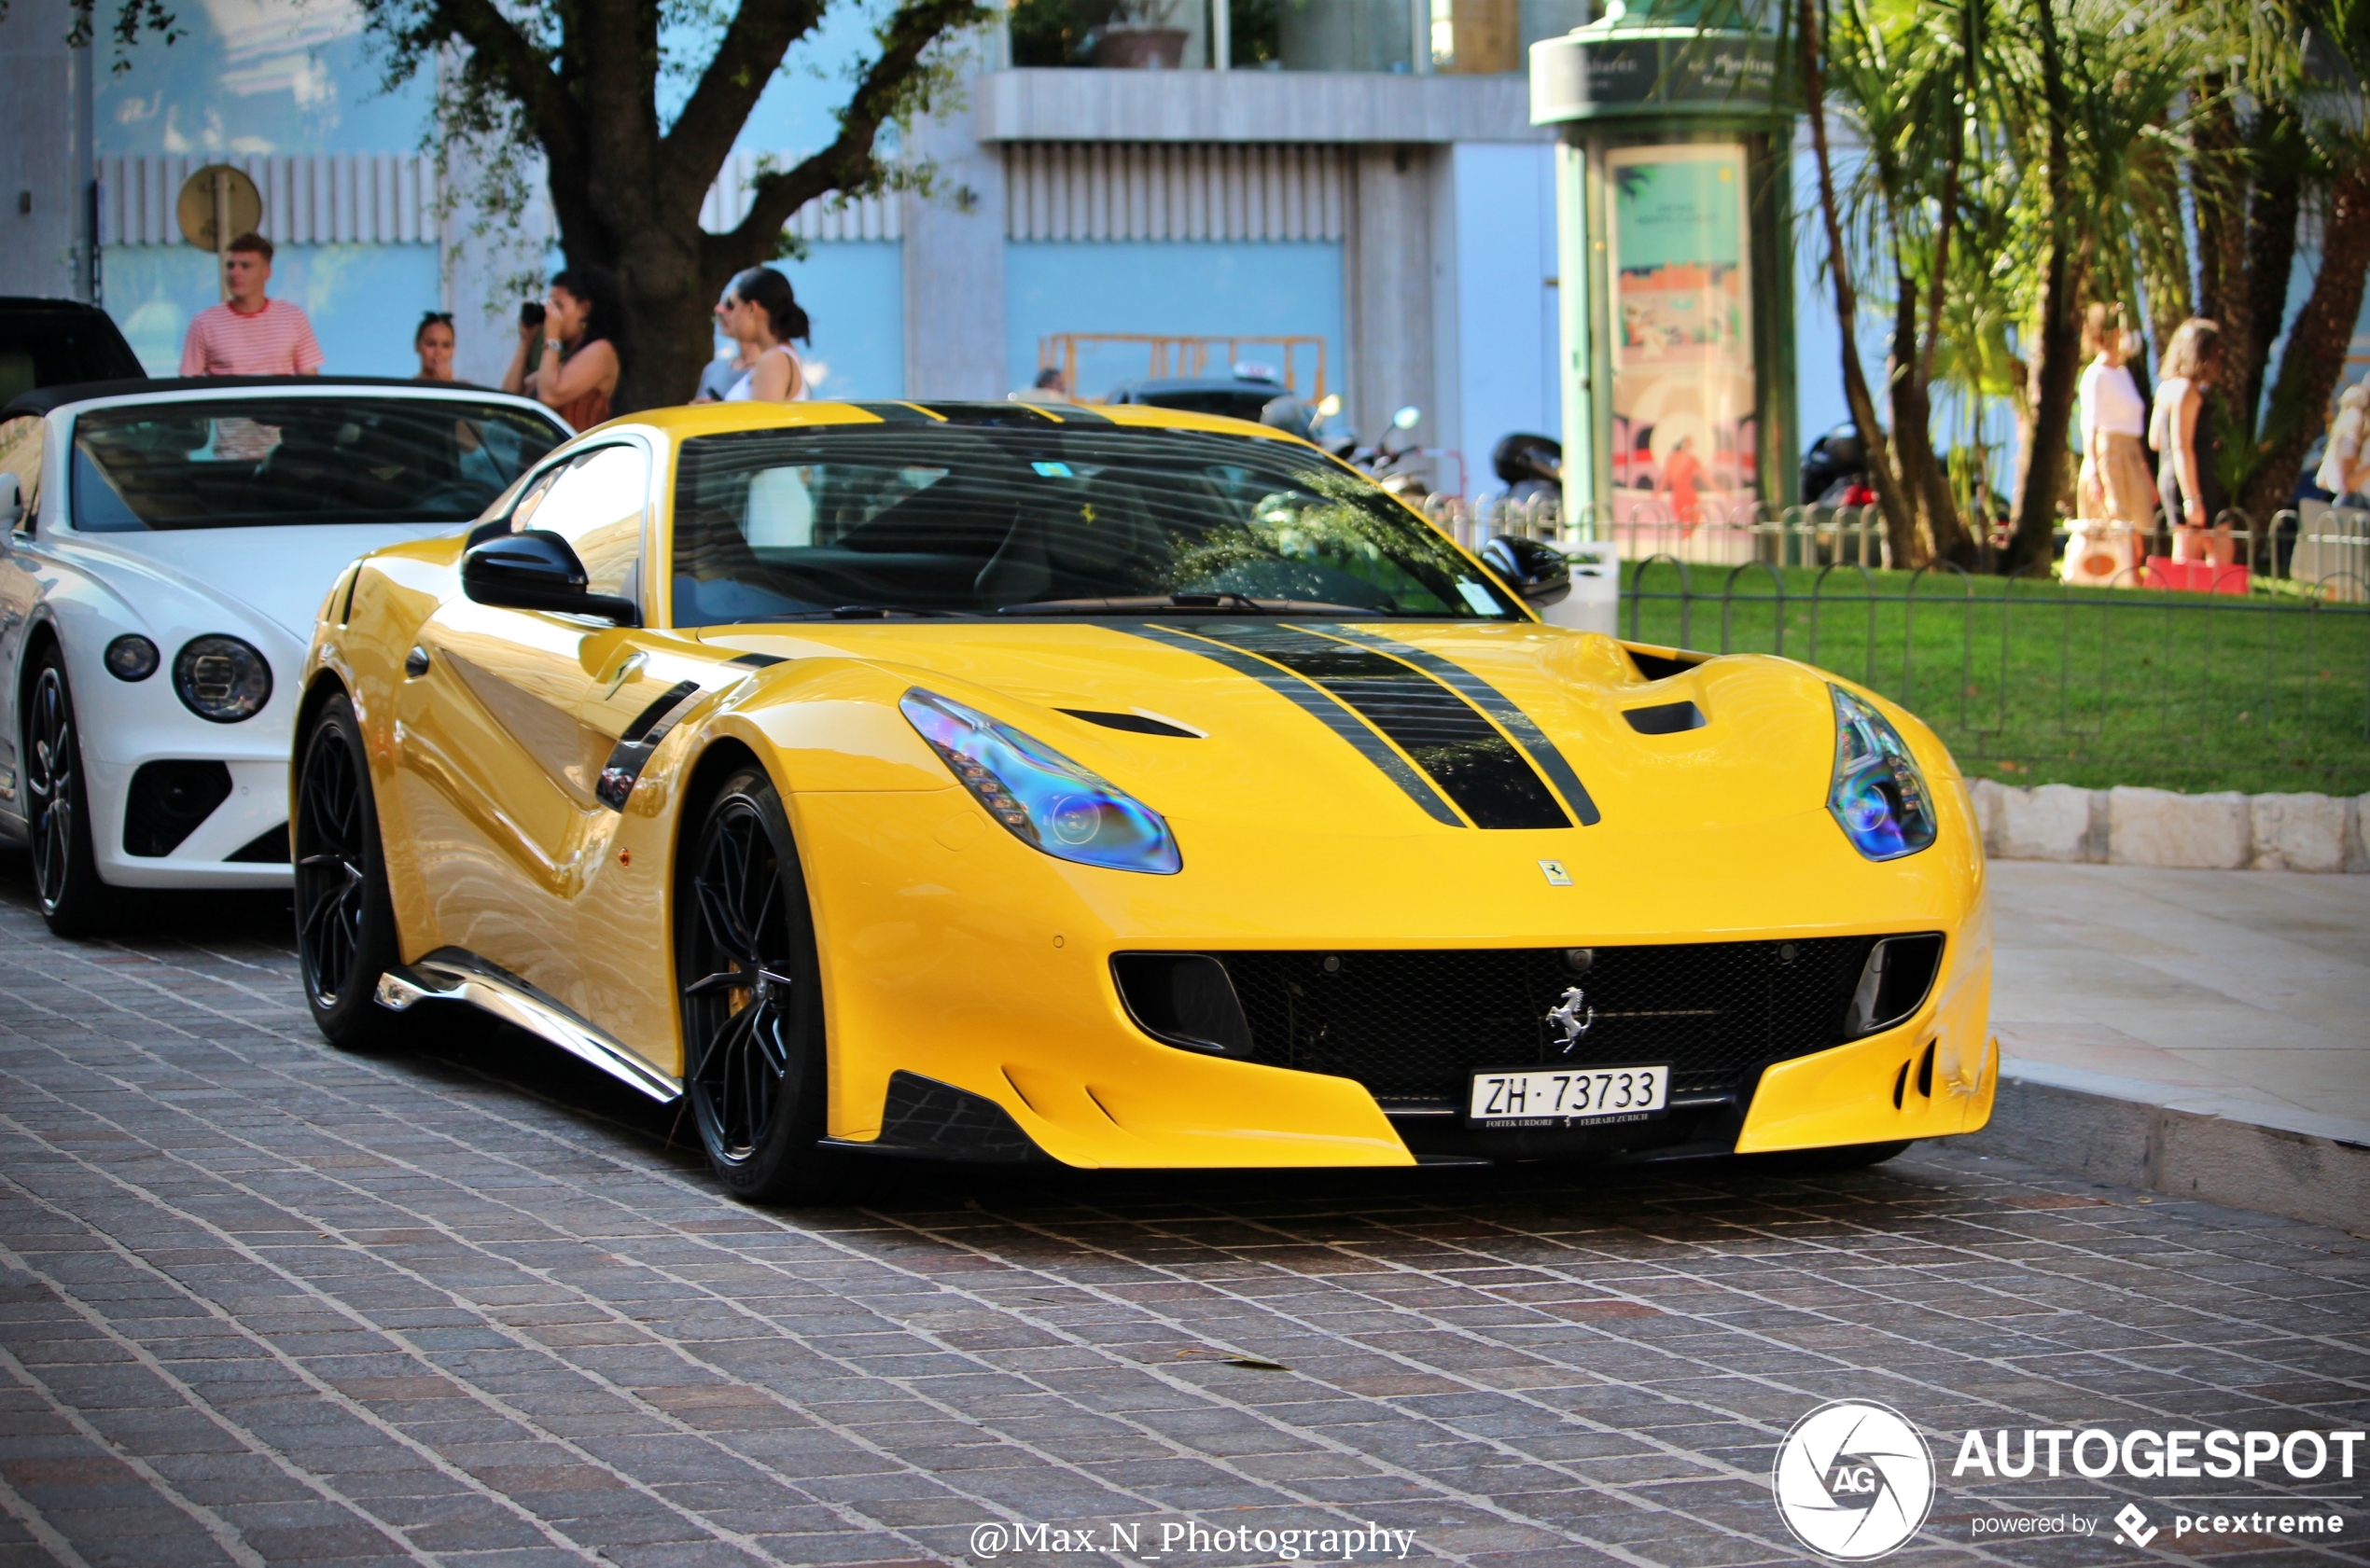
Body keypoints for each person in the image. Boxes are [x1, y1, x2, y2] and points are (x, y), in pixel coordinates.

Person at [178, 232, 323, 378]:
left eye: (245, 266)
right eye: (230, 265)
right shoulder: (204, 323)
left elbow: (310, 378)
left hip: (279, 401)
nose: (235, 273)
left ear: (266, 273)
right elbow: (189, 381)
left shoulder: (293, 317)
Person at [503, 265, 622, 429]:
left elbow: (549, 396)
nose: (551, 314)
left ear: (585, 309)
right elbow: (508, 399)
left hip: (578, 454)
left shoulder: (602, 351)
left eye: (558, 306)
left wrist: (552, 337)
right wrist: (526, 341)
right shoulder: (562, 365)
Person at [2149, 317, 2225, 567]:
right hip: (2191, 482)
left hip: (2170, 476)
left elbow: (2156, 441)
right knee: (2210, 548)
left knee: (2188, 546)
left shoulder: (2166, 389)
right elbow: (2181, 445)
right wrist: (2193, 498)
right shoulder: (2187, 392)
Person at [2077, 304, 2154, 529]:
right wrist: (2093, 469)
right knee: (2116, 526)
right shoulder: (2095, 374)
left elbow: (2132, 425)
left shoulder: (2123, 374)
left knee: (2141, 527)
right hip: (2110, 455)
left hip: (2131, 456)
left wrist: (2145, 473)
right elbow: (2089, 423)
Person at [714, 266, 808, 404]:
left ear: (752, 308)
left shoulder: (773, 360)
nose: (731, 316)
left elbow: (762, 424)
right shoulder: (779, 357)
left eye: (733, 306)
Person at [2317, 383, 2370, 508]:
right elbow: (2349, 483)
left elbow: (2322, 480)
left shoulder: (2343, 437)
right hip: (2357, 505)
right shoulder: (2350, 440)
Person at [1659, 435, 1704, 531]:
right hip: (1678, 496)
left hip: (1690, 495)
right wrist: (1658, 492)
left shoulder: (1693, 459)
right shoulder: (1673, 458)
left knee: (1695, 521)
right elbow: (1665, 478)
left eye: (1690, 444)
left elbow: (1706, 477)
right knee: (1684, 525)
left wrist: (1721, 490)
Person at [412, 312, 456, 382]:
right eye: (431, 344)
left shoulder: (466, 390)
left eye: (445, 345)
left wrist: (449, 385)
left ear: (453, 350)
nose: (438, 351)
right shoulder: (406, 389)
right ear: (417, 345)